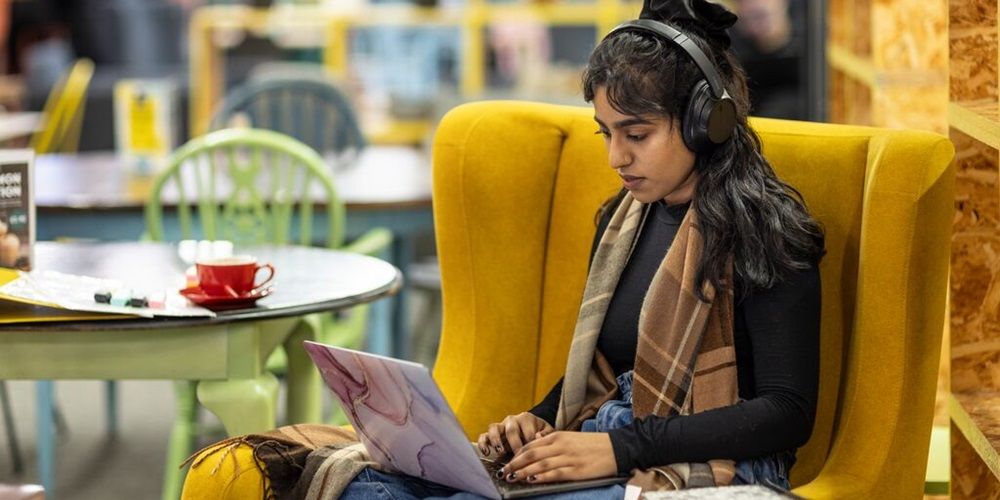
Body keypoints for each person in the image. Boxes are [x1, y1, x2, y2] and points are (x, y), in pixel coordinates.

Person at [183, 0, 825, 497]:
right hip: (611, 439)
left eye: (636, 133)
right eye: (606, 133)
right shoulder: (625, 219)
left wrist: (621, 449)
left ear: (703, 122)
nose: (615, 157)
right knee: (366, 485)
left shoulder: (767, 228)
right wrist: (540, 419)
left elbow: (786, 412)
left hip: (703, 470)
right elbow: (604, 370)